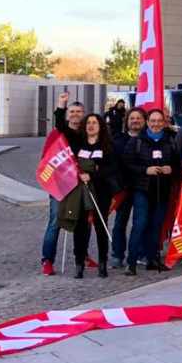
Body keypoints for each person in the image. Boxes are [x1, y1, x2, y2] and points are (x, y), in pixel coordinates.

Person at [120, 108, 179, 273]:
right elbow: (127, 164)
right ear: (147, 122)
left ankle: (152, 259)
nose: (156, 124)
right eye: (153, 121)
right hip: (142, 189)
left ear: (164, 122)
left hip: (163, 189)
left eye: (159, 121)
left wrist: (171, 168)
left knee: (156, 226)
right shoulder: (137, 141)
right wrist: (145, 170)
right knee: (140, 224)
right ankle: (131, 262)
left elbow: (178, 162)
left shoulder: (171, 140)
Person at [41, 91, 87, 275]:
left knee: (81, 222)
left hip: (80, 184)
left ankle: (81, 255)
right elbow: (59, 122)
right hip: (60, 184)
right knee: (55, 222)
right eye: (72, 112)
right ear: (68, 115)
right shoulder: (62, 132)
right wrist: (61, 103)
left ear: (83, 114)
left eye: (79, 112)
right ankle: (47, 259)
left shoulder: (86, 133)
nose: (75, 115)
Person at [66, 113, 116, 279]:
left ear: (100, 126)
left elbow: (111, 168)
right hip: (81, 191)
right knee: (80, 227)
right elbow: (61, 128)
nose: (91, 125)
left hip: (101, 190)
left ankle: (103, 263)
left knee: (100, 226)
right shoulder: (78, 144)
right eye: (88, 122)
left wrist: (93, 175)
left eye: (94, 122)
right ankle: (79, 263)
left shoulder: (107, 146)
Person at [108, 106, 146, 270]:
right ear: (127, 121)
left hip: (142, 188)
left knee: (140, 223)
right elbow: (112, 165)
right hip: (123, 188)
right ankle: (117, 254)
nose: (135, 121)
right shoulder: (117, 140)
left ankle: (138, 253)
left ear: (144, 121)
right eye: (132, 118)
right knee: (119, 223)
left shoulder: (148, 139)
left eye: (138, 118)